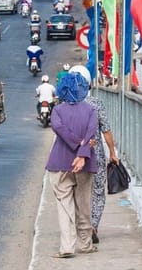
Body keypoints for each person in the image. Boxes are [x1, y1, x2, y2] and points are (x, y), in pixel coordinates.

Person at [45, 70, 99, 259]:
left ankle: (67, 246)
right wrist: (83, 153)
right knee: (84, 206)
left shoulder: (57, 111)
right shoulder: (91, 110)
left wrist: (76, 145)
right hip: (84, 165)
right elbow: (92, 134)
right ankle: (85, 244)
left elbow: (58, 128)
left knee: (64, 206)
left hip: (59, 163)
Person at [69, 65, 119, 245]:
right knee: (97, 191)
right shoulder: (96, 104)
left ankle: (80, 226)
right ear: (89, 84)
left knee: (77, 190)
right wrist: (112, 152)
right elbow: (106, 130)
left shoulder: (65, 105)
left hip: (72, 155)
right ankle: (93, 226)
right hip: (95, 154)